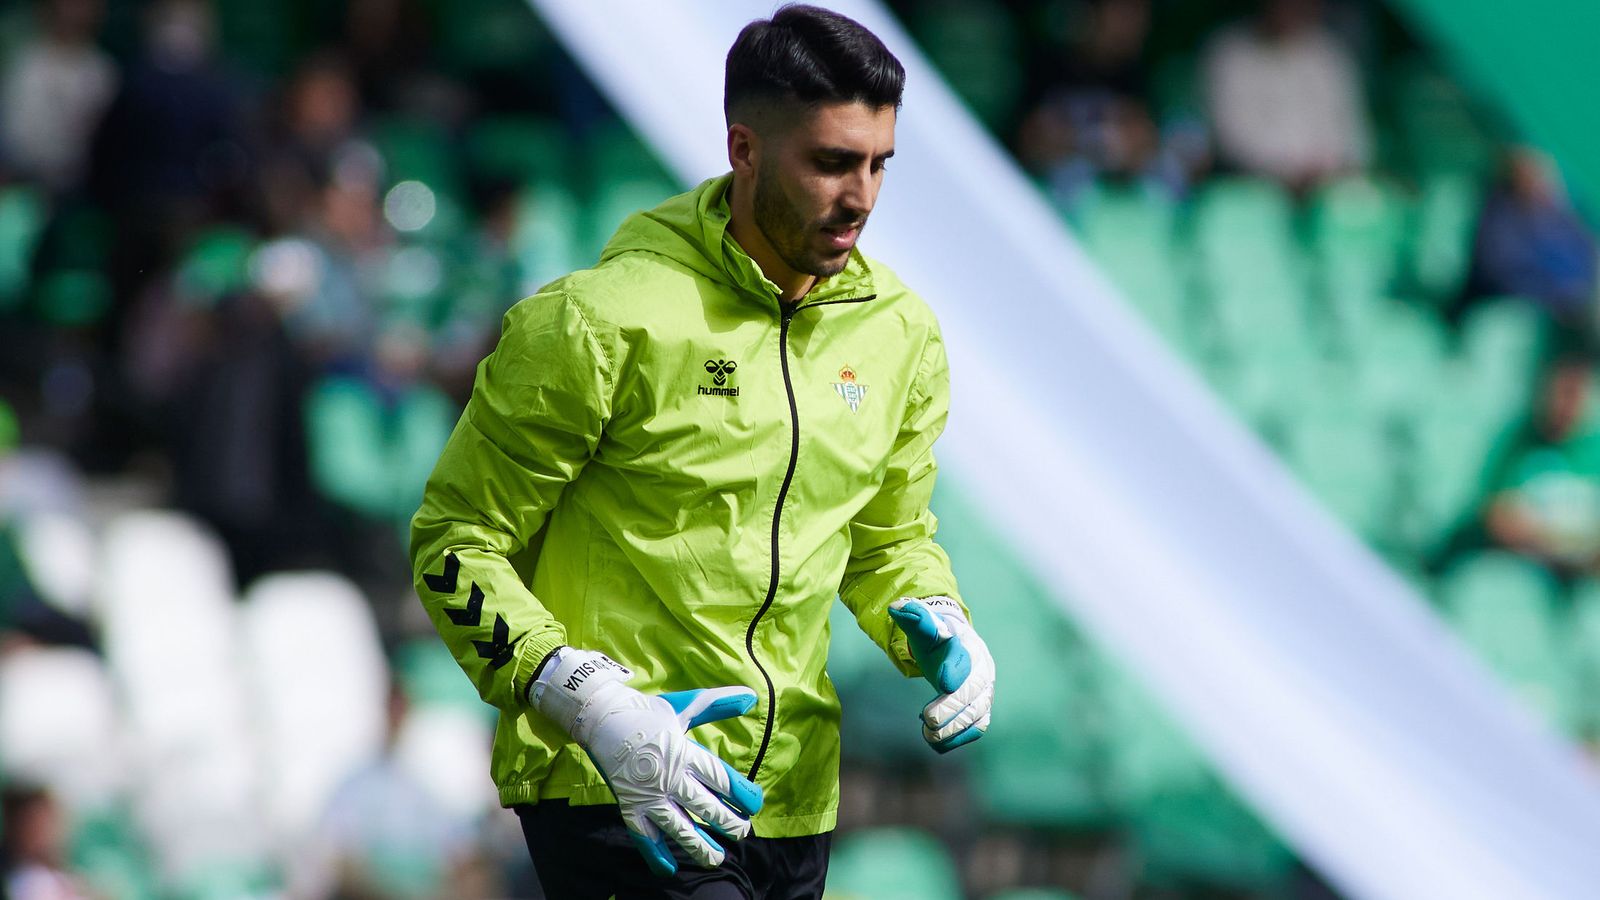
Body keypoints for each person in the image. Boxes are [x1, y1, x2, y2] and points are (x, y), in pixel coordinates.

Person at [408, 5, 996, 897]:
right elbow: (453, 544)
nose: (862, 197)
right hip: (617, 779)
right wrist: (590, 704)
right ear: (744, 148)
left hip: (795, 795)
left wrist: (939, 618)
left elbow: (887, 539)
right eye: (831, 162)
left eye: (879, 164)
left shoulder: (899, 334)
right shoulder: (598, 320)